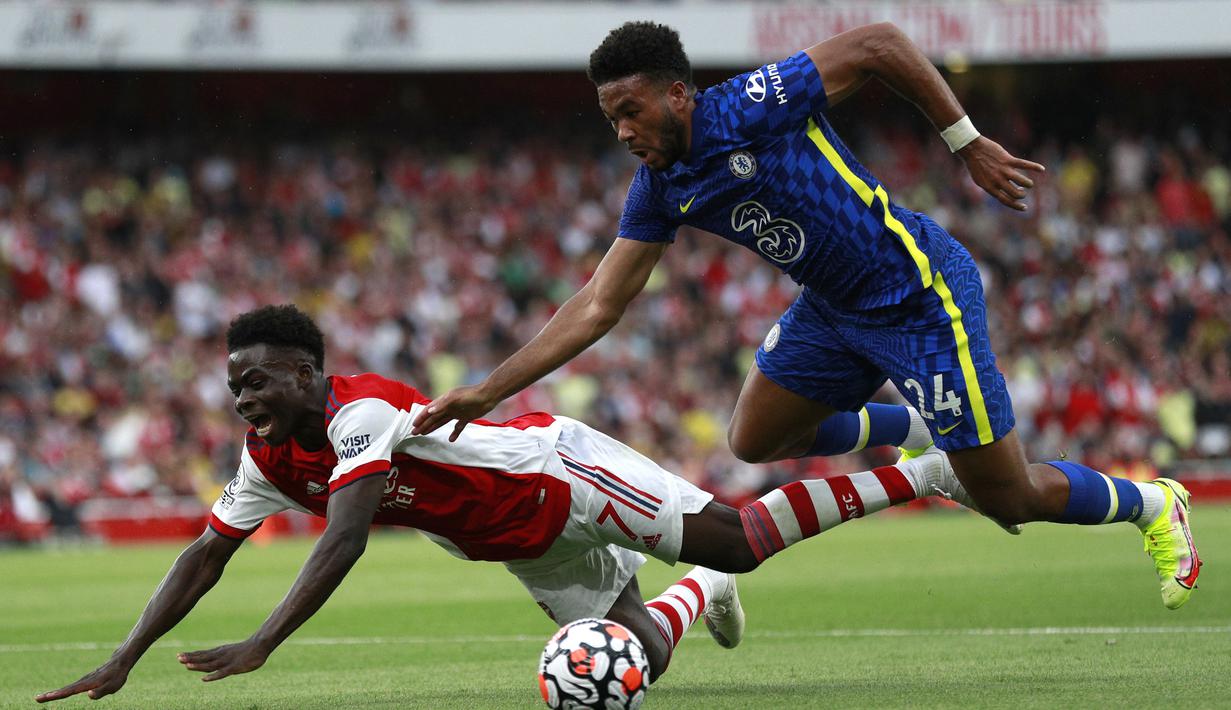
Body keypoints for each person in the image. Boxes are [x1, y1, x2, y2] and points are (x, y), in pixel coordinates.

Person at [411, 21, 1201, 608]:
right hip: (831, 311)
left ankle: (1152, 504)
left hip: (919, 297)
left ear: (678, 93)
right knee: (754, 439)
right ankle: (913, 434)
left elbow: (881, 44)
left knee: (1008, 499)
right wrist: (487, 391)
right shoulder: (657, 188)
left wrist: (963, 142)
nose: (621, 132)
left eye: (630, 110)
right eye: (609, 118)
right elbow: (596, 304)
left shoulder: (752, 105)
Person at [37, 304, 983, 703]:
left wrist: (264, 643)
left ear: (305, 371)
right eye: (233, 387)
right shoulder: (267, 456)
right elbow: (206, 551)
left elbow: (349, 536)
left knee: (735, 538)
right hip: (521, 543)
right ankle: (695, 595)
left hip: (557, 475)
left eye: (256, 381)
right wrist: (125, 657)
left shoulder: (358, 410)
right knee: (639, 659)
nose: (242, 399)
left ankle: (926, 474)